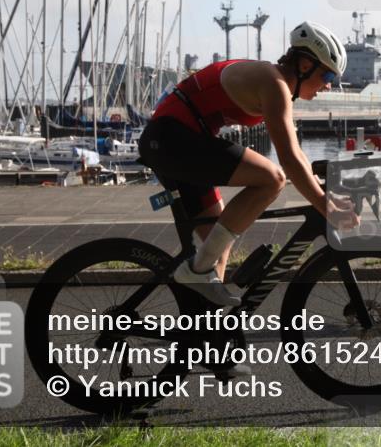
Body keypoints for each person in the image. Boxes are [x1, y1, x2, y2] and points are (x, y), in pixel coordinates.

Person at [138, 21, 360, 306]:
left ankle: (205, 335)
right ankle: (197, 274)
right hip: (171, 138)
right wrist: (323, 204)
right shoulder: (274, 83)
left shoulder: (277, 83)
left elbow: (296, 151)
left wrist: (321, 192)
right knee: (271, 178)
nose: (329, 84)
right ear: (305, 64)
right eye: (328, 74)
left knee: (215, 248)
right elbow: (289, 160)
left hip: (180, 140)